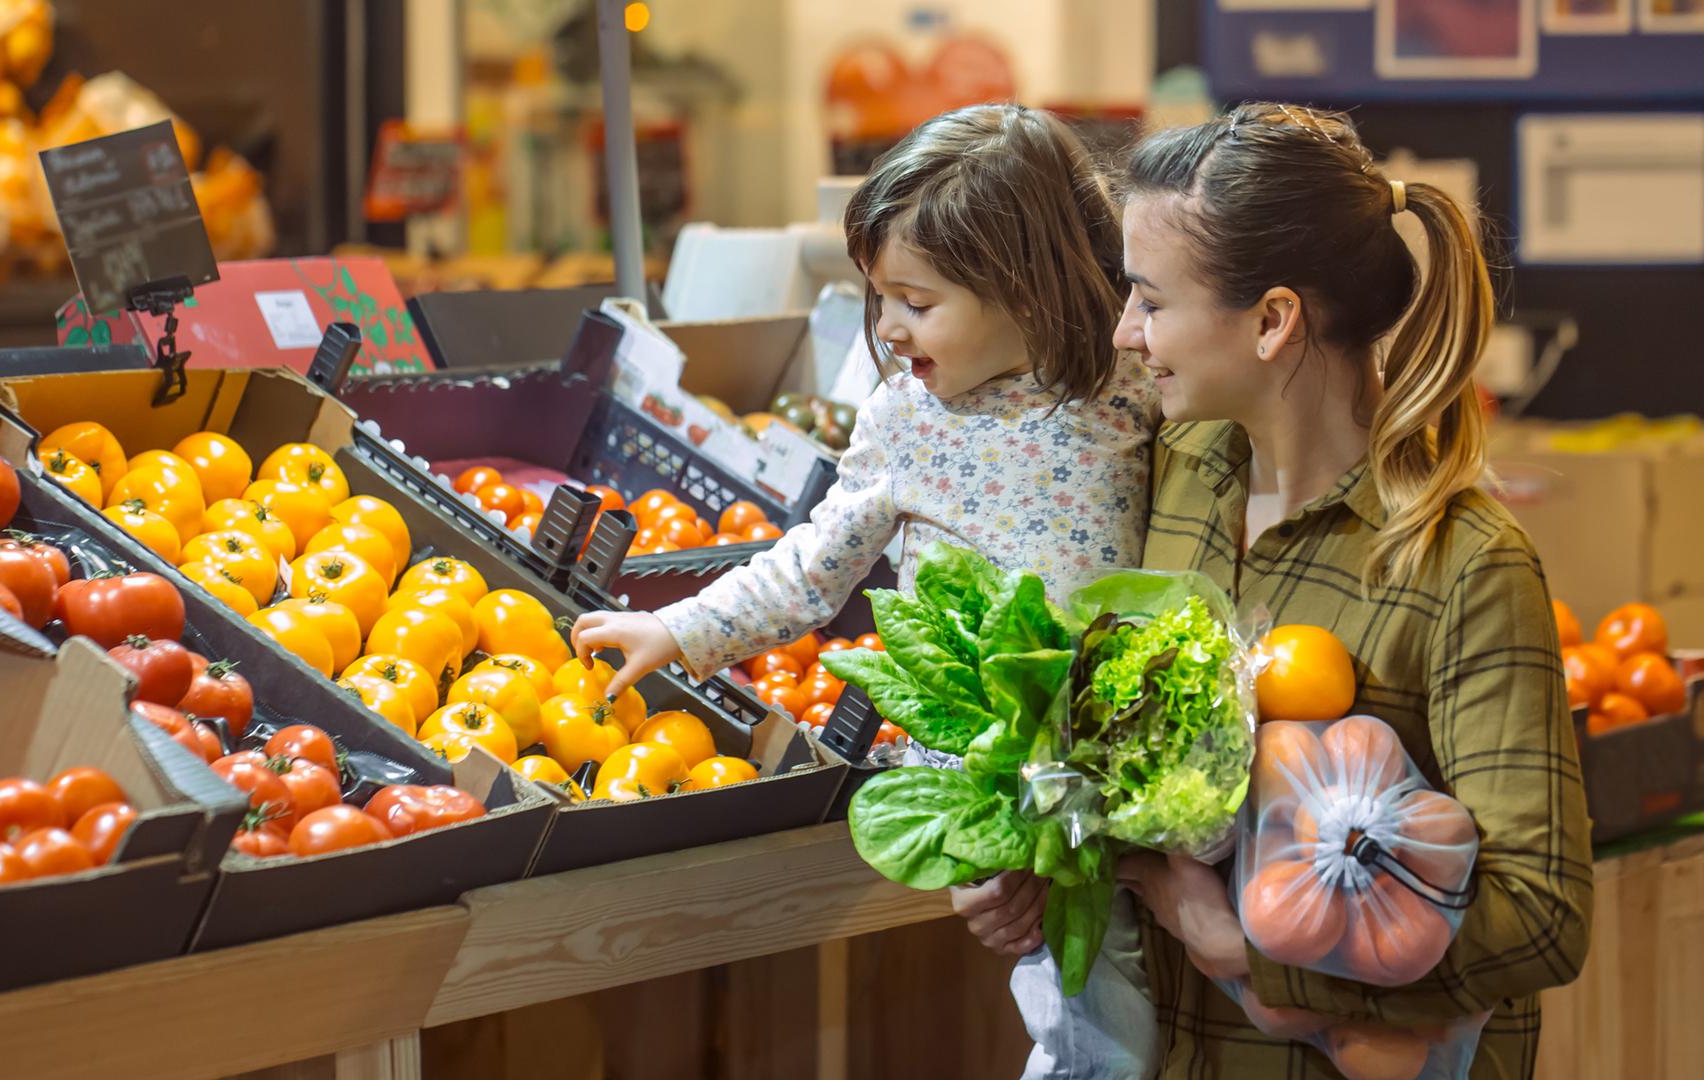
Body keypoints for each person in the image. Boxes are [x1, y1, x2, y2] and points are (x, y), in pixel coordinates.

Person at [569, 103, 1162, 1078]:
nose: (885, 327)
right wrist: (676, 628)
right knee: (1086, 1016)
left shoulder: (1125, 386)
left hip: (1111, 762)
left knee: (1122, 1002)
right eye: (878, 296)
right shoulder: (903, 421)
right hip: (984, 772)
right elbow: (810, 567)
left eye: (915, 303)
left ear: (1025, 286)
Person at [1101, 102, 1594, 1077]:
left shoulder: (1461, 564)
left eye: (1152, 302)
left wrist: (1264, 958)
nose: (1125, 333)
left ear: (1275, 319)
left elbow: (1542, 916)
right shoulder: (1181, 471)